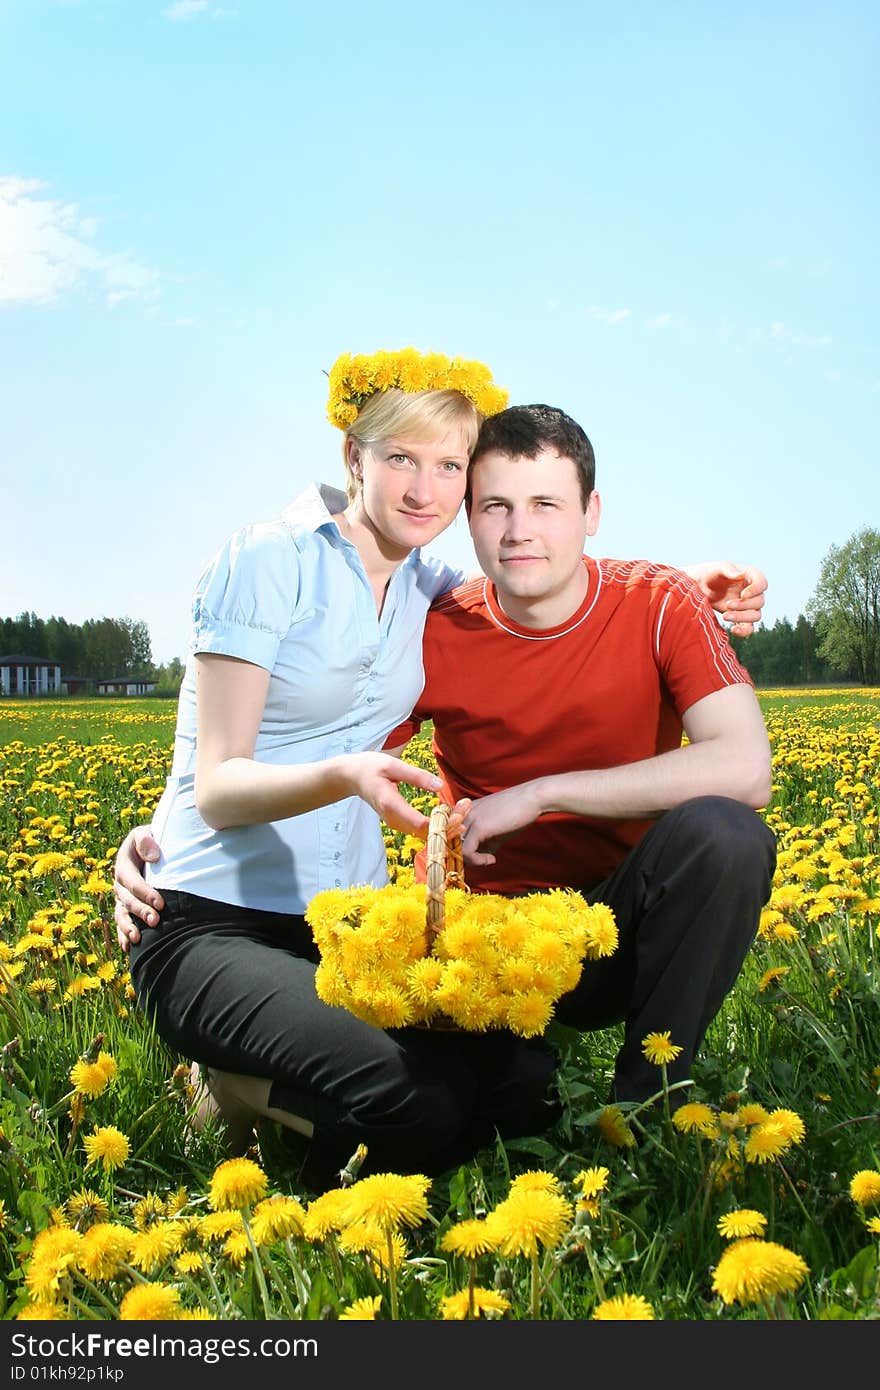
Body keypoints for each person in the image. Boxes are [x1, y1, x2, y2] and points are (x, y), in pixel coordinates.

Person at [114, 351, 769, 1189]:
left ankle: (651, 1117)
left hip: (433, 922)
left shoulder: (454, 593)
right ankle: (238, 1084)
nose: (430, 491)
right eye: (403, 461)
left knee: (530, 1079)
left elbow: (558, 585)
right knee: (455, 1104)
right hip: (309, 918)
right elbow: (231, 764)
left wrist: (687, 589)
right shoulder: (341, 582)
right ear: (356, 457)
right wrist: (157, 830)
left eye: (448, 468)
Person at [386, 403, 777, 1104]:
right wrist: (174, 826)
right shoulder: (431, 632)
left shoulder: (661, 603)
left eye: (546, 504)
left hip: (618, 922)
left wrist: (541, 793)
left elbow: (746, 767)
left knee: (727, 836)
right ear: (467, 515)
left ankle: (653, 1101)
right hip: (485, 938)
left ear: (591, 512)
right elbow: (325, 756)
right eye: (495, 506)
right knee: (496, 1119)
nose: (519, 531)